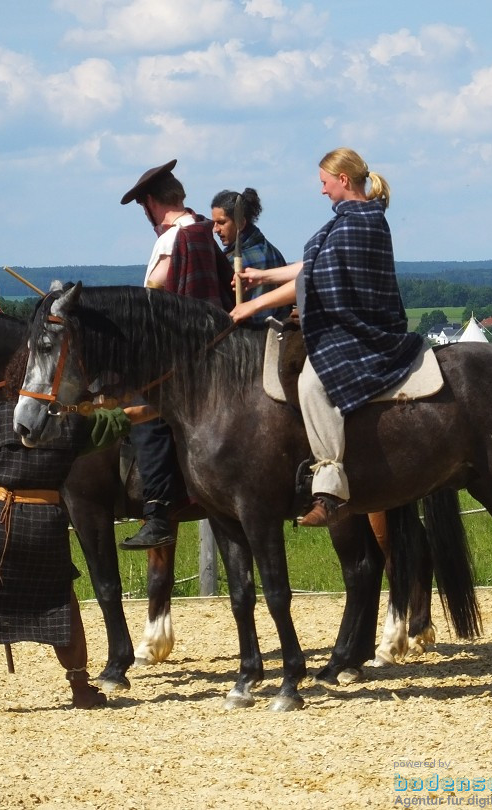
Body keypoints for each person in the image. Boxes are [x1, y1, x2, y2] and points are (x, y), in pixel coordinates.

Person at [0, 351, 156, 720]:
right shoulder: (71, 423)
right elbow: (125, 418)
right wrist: (164, 405)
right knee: (59, 602)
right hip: (45, 522)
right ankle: (80, 688)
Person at [229, 147, 424, 527]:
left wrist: (251, 307)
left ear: (343, 180)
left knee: (313, 384)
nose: (322, 191)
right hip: (349, 323)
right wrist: (261, 276)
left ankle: (331, 489)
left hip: (365, 330)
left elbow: (314, 280)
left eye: (324, 182)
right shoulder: (351, 221)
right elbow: (312, 267)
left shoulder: (358, 223)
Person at [118, 159, 235, 549]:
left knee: (143, 413)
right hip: (208, 346)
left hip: (184, 355)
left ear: (150, 202)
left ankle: (158, 510)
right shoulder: (201, 227)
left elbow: (155, 298)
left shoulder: (173, 240)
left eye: (143, 208)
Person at [210, 187, 289, 322]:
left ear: (241, 222)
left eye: (222, 222)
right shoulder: (273, 250)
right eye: (214, 223)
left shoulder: (235, 261)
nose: (215, 229)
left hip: (253, 336)